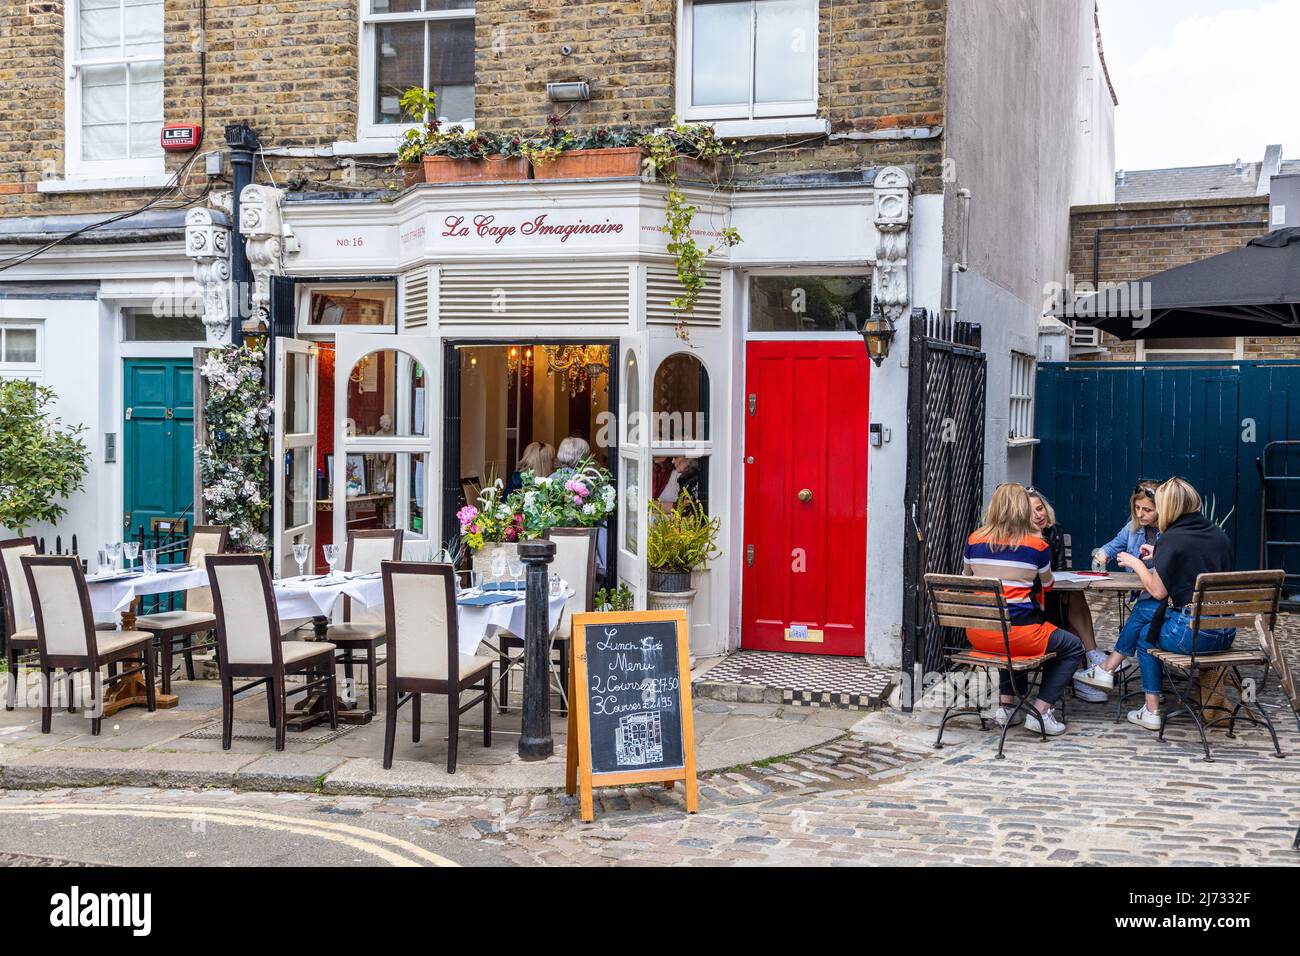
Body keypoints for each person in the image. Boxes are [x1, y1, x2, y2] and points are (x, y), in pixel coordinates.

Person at [1109, 477, 1234, 731]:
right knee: (1148, 617)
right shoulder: (1217, 534)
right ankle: (1110, 668)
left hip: (1194, 636)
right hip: (1227, 632)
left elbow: (1156, 591)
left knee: (1147, 634)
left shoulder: (1172, 538)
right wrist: (1160, 556)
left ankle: (1151, 708)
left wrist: (1137, 564)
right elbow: (1196, 560)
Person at [963, 483, 1085, 736]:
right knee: (1072, 646)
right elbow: (1048, 584)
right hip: (1019, 636)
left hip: (979, 633)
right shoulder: (1036, 545)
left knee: (1004, 631)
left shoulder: (974, 540)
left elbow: (967, 577)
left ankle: (1007, 706)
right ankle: (1040, 711)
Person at [1074, 480, 1163, 694]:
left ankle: (1108, 667)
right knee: (1141, 618)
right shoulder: (1133, 527)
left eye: (1147, 510)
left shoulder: (1170, 532)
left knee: (1141, 619)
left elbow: (1167, 572)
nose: (1141, 514)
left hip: (1160, 595)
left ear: (1162, 508)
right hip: (1143, 593)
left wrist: (1139, 565)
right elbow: (1113, 546)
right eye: (1137, 508)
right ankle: (1115, 668)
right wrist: (1103, 553)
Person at [1026, 488, 1105, 702]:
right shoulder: (1022, 539)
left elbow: (1059, 569)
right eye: (1031, 512)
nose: (1039, 515)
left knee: (1071, 597)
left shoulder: (1054, 531)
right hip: (1033, 603)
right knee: (1069, 612)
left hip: (1052, 593)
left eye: (1040, 508)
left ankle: (1089, 663)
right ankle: (1088, 667)